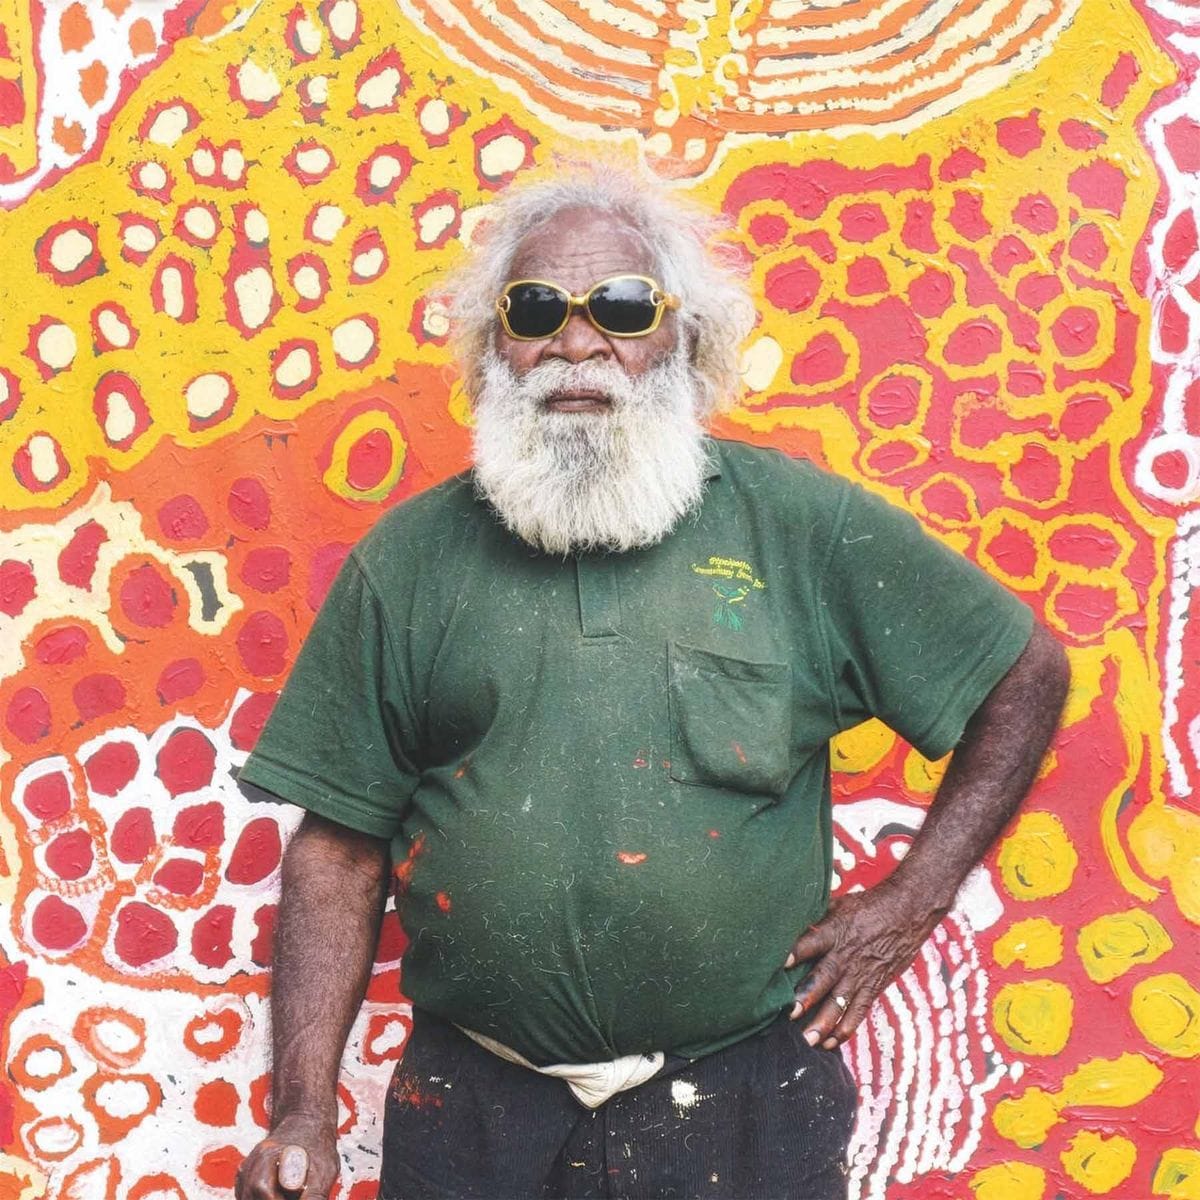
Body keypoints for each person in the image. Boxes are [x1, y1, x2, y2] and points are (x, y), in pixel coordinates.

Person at [234, 166, 1069, 1200]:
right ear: (494, 345)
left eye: (622, 308)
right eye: (534, 310)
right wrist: (303, 1116)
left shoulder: (799, 529)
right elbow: (337, 857)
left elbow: (1022, 671)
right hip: (473, 1113)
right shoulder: (408, 563)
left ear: (686, 337)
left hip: (745, 1101)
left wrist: (916, 895)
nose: (577, 344)